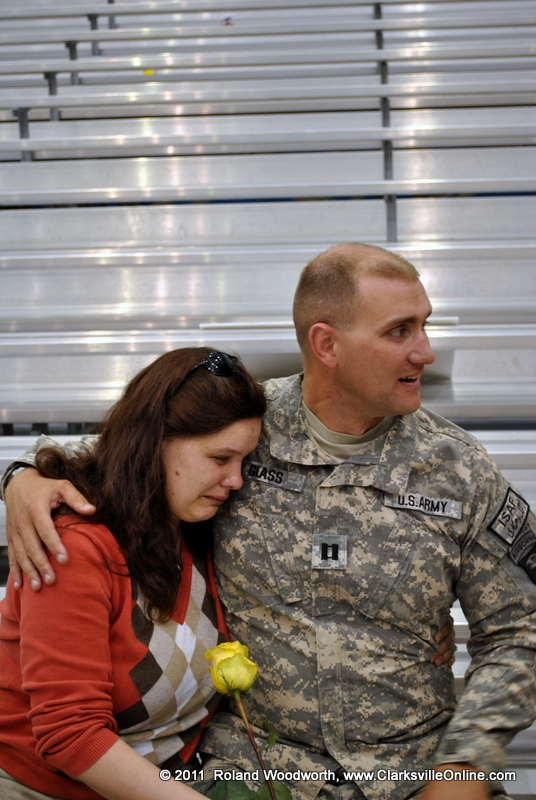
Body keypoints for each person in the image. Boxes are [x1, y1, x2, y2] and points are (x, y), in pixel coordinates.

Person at [3, 242, 527, 800]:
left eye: (425, 325)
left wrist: (467, 765)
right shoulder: (243, 423)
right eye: (400, 331)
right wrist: (20, 479)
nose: (426, 352)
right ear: (326, 344)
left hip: (414, 768)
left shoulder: (459, 468)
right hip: (257, 768)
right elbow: (123, 454)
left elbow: (520, 629)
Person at [0, 346, 266, 800]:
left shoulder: (193, 524)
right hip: (45, 787)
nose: (236, 481)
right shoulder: (76, 549)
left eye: (244, 461)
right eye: (220, 459)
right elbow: (72, 736)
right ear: (152, 443)